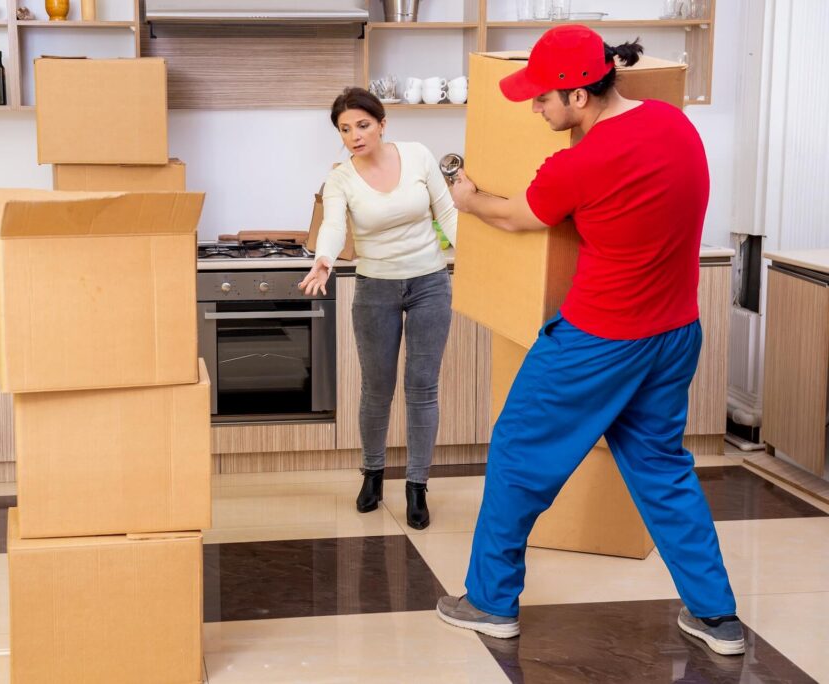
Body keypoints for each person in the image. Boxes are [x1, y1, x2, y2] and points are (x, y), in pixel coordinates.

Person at [435, 25, 744, 656]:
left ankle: (491, 602)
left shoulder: (578, 163)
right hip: (675, 332)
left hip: (598, 340)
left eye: (543, 98)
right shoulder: (674, 124)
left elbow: (516, 213)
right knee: (661, 467)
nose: (535, 108)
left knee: (519, 454)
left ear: (579, 96)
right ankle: (717, 617)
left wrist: (468, 200)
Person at [299, 87, 458, 529]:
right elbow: (333, 225)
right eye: (345, 129)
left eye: (362, 125)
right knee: (377, 389)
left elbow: (447, 214)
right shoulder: (340, 179)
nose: (354, 135)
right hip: (375, 289)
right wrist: (325, 259)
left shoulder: (418, 156)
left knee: (422, 388)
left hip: (429, 283)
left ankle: (417, 486)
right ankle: (372, 474)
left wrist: (477, 259)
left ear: (382, 123)